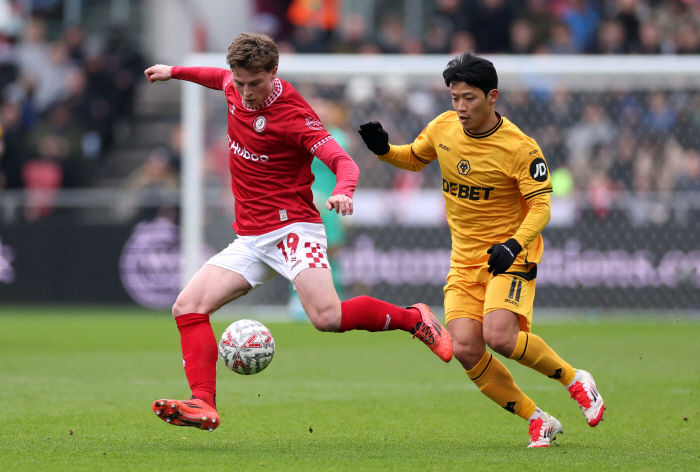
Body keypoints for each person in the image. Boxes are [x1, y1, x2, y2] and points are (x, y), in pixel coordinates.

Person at [143, 32, 452, 432]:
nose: (247, 92)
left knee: (326, 317)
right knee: (187, 307)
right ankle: (203, 402)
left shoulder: (294, 115)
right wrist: (175, 71)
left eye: (256, 83)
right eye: (241, 83)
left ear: (274, 72)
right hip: (252, 238)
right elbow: (215, 76)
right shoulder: (232, 85)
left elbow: (343, 161)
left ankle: (414, 319)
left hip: (294, 228)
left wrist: (343, 191)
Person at [358, 52, 605, 449]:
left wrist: (514, 244)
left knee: (500, 337)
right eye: (454, 97)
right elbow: (415, 159)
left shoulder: (519, 147)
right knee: (467, 347)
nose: (460, 107)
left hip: (511, 254)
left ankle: (575, 379)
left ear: (492, 97)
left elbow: (542, 206)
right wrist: (385, 149)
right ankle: (538, 419)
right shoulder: (443, 128)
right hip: (464, 260)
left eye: (469, 98)